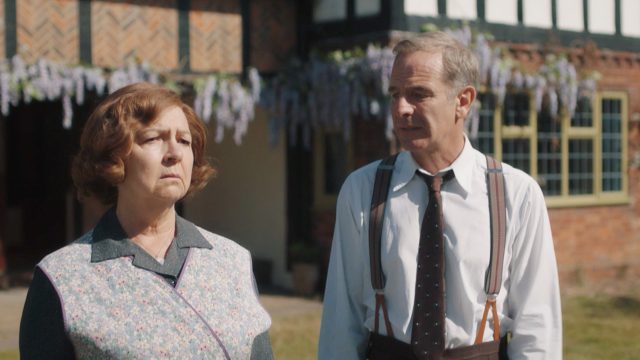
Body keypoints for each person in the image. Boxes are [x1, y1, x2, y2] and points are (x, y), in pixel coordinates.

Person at [318, 32, 562, 359]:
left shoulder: (517, 194)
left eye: (418, 94)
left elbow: (538, 325)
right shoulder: (362, 189)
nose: (401, 108)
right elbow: (340, 319)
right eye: (394, 94)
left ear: (463, 100)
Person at [20, 83, 274, 359]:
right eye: (154, 138)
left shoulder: (233, 262)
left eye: (184, 141)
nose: (174, 154)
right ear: (113, 155)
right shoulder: (62, 278)